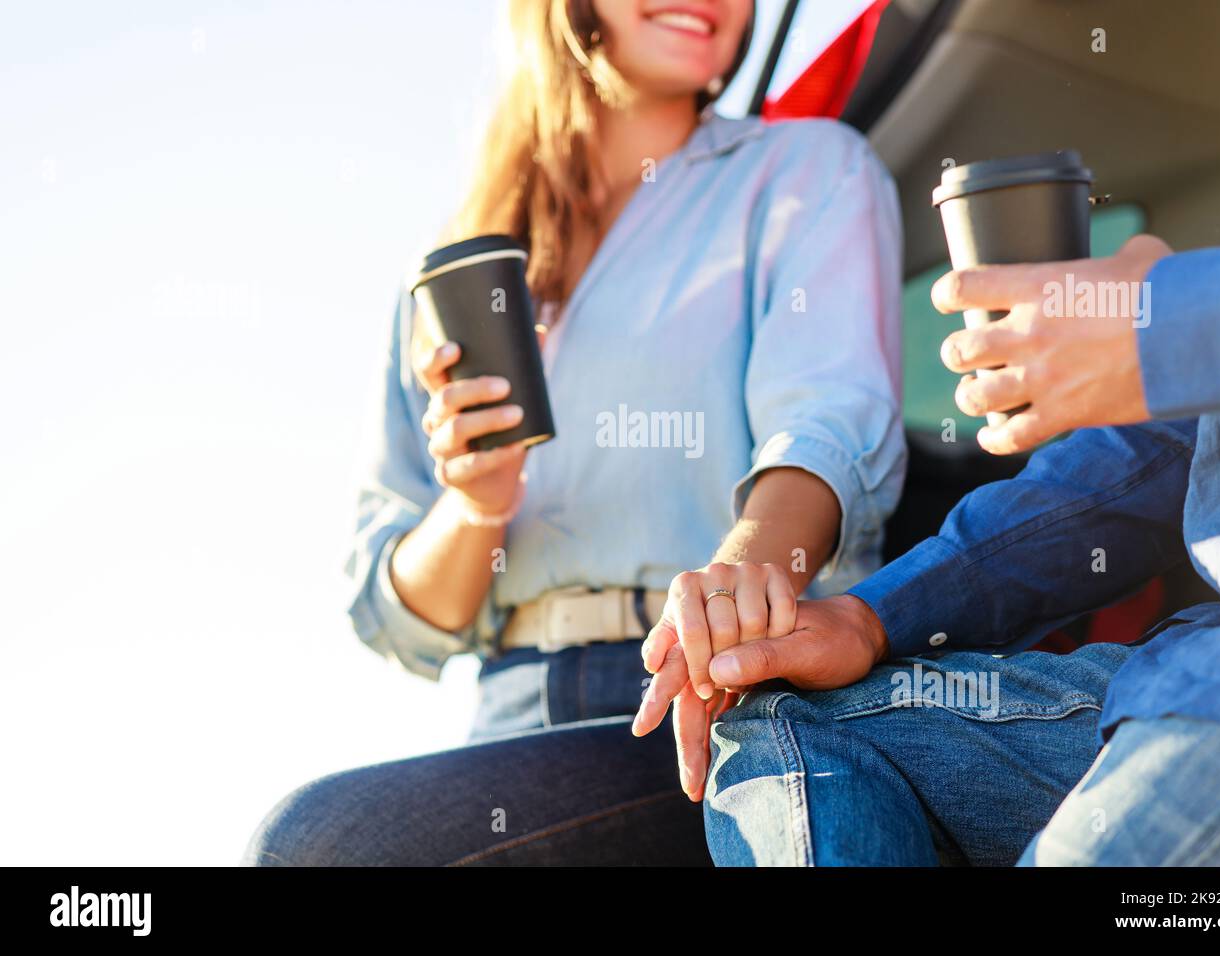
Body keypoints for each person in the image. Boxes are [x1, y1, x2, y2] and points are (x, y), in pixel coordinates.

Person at [240, 0, 906, 865]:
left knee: (319, 848)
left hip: (720, 697)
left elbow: (825, 427)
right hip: (507, 715)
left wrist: (742, 571)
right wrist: (478, 505)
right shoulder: (455, 263)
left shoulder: (810, 170)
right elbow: (399, 614)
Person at [638, 0, 1220, 866]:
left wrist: (1170, 319)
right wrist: (869, 619)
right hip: (1204, 664)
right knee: (782, 723)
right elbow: (1180, 447)